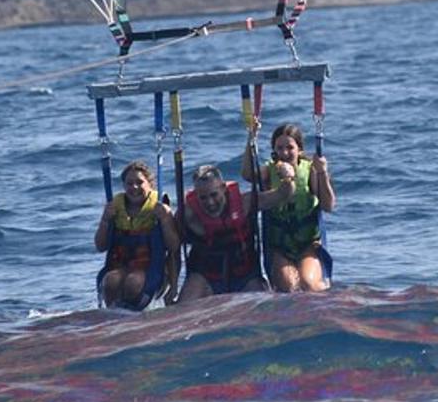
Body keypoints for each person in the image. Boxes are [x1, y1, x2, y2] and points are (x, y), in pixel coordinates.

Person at [176, 162, 297, 303]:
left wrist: (288, 179)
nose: (210, 202)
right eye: (203, 197)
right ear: (196, 195)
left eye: (214, 195)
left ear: (223, 188)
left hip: (245, 277)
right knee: (183, 309)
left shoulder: (245, 203)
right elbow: (172, 245)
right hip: (205, 277)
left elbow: (282, 195)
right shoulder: (188, 214)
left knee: (265, 307)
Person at [242, 122, 336, 292]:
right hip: (279, 248)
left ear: (299, 150)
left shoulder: (311, 171)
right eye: (279, 148)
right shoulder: (269, 171)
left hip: (308, 245)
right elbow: (248, 175)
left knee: (309, 284)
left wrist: (322, 173)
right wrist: (251, 139)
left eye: (290, 147)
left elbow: (328, 206)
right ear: (274, 151)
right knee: (289, 287)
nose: (284, 153)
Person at [94, 160, 181, 309]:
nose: (134, 187)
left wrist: (166, 219)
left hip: (152, 271)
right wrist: (105, 220)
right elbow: (100, 246)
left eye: (139, 182)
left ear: (150, 184)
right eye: (129, 183)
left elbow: (174, 247)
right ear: (123, 186)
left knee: (133, 283)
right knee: (110, 281)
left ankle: (134, 313)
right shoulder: (115, 209)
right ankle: (114, 314)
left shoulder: (160, 208)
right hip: (121, 265)